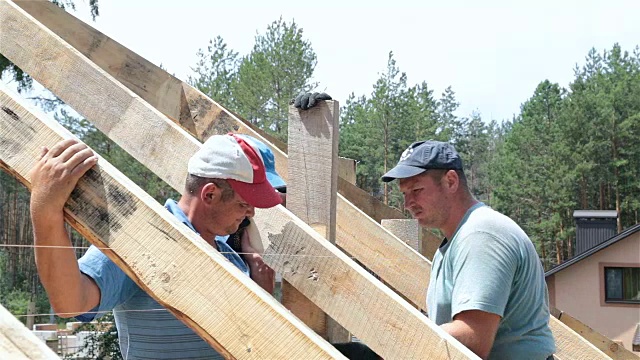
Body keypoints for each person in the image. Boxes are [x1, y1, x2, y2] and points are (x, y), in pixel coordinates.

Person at [381, 140, 555, 360]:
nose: (408, 203)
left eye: (416, 190)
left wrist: (393, 342)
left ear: (451, 181)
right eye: (404, 193)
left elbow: (473, 338)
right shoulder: (459, 239)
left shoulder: (481, 235)